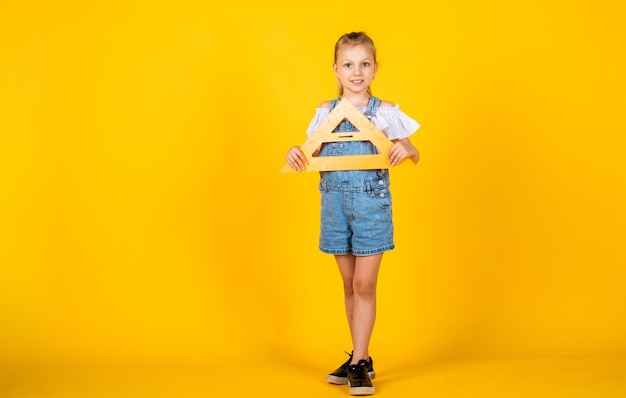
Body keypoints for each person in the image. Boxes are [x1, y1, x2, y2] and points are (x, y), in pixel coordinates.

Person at [285, 31, 420, 396]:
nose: (356, 71)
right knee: (348, 284)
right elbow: (308, 153)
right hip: (334, 206)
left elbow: (415, 154)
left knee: (364, 284)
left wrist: (404, 149)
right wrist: (294, 154)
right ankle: (361, 358)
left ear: (375, 68)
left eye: (364, 64)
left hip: (370, 205)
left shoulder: (385, 112)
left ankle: (359, 362)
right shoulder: (325, 114)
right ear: (336, 69)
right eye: (348, 64)